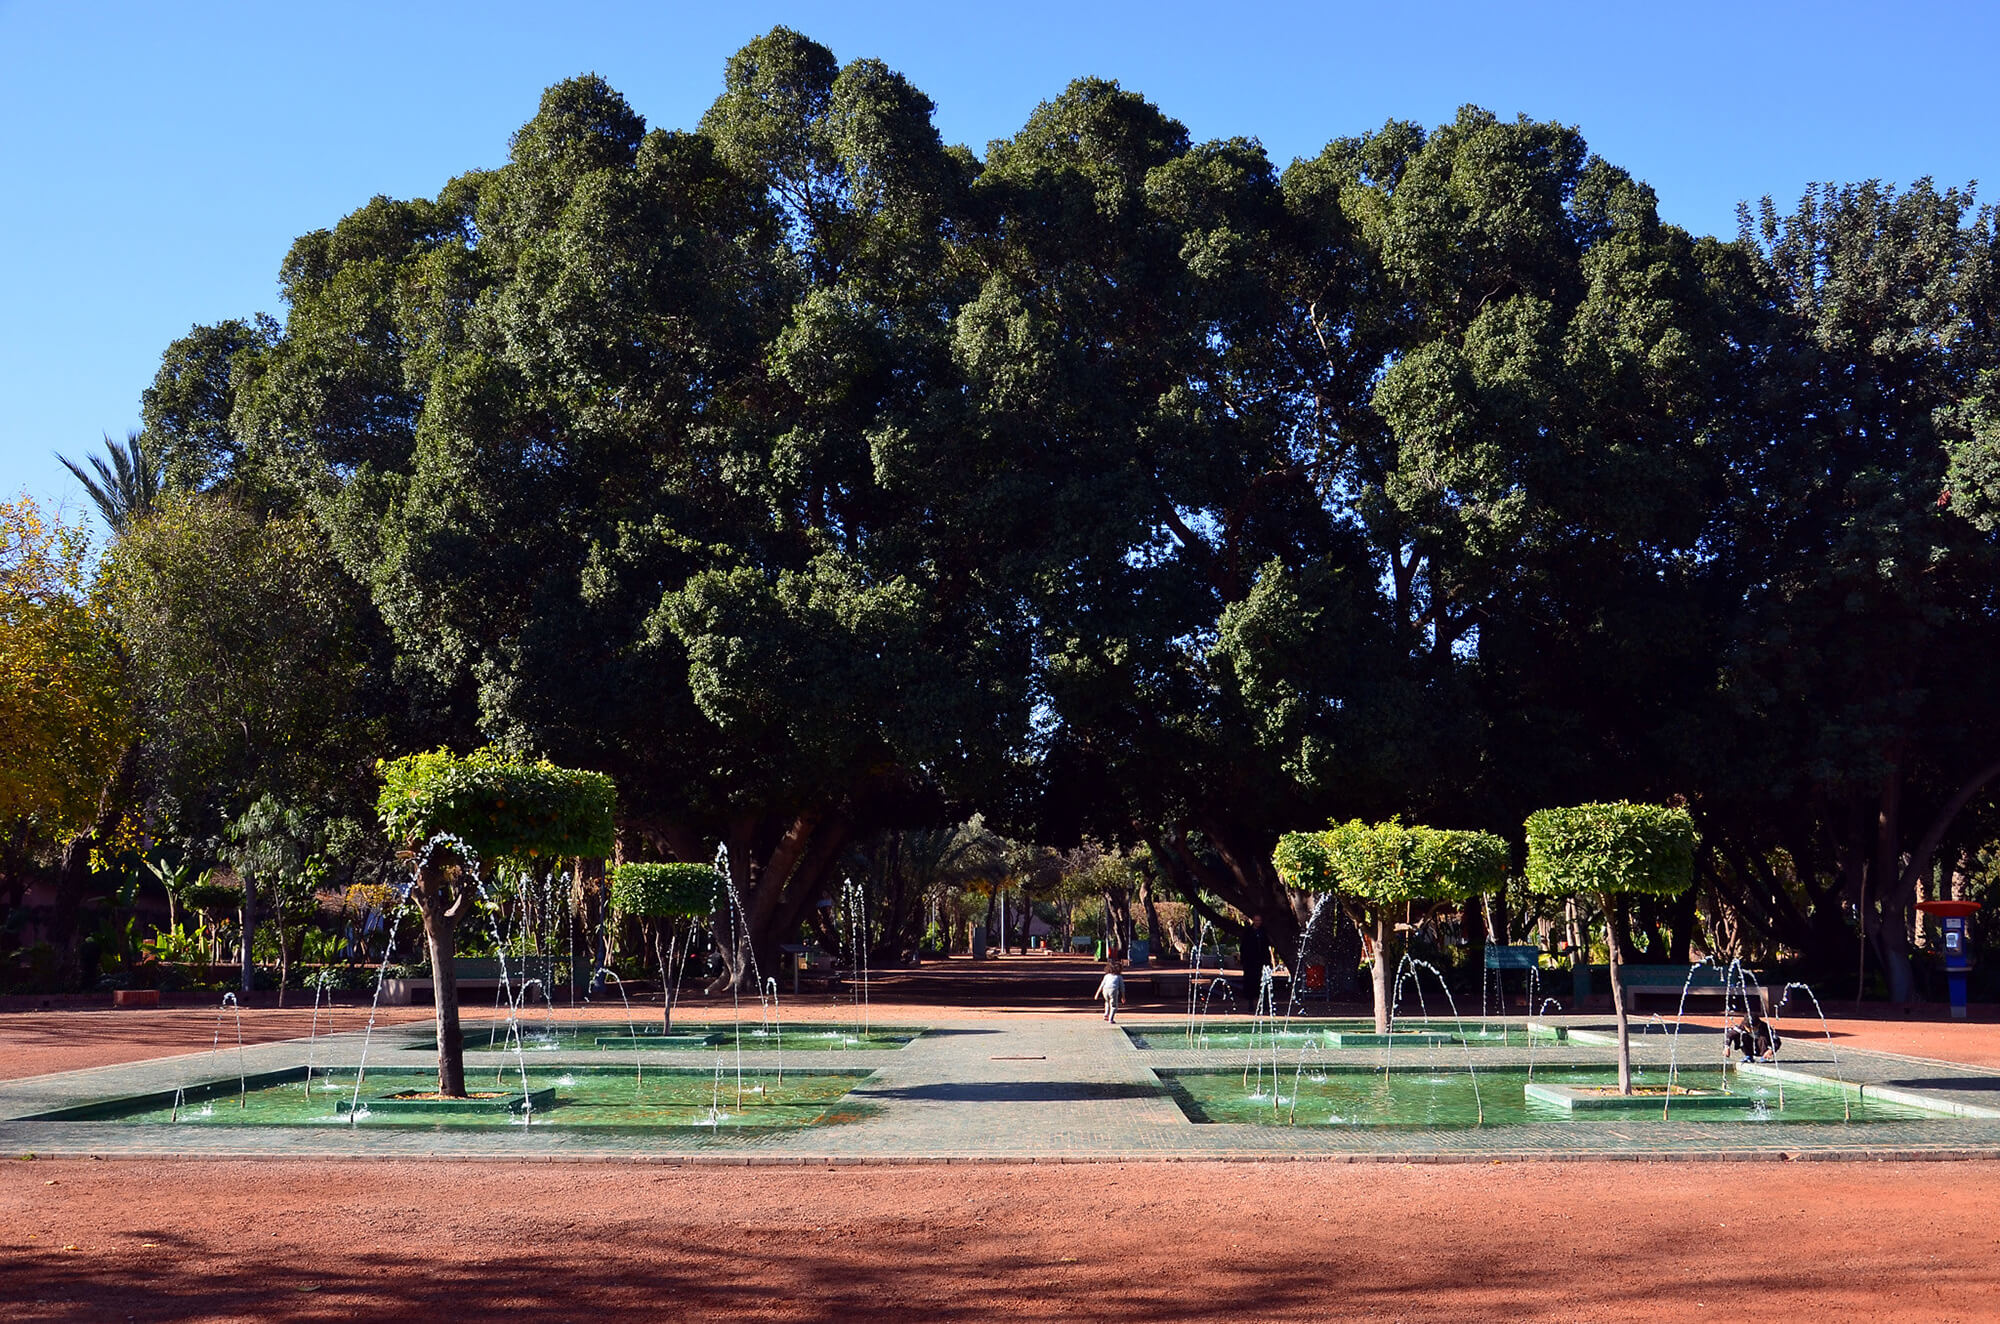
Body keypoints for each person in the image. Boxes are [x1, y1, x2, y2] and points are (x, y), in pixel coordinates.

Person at [1095, 956, 1126, 1023]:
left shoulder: (1107, 976)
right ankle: (1111, 1019)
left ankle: (1106, 1014)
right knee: (1114, 1006)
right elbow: (1122, 987)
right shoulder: (1119, 977)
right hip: (1113, 990)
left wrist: (1097, 994)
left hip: (1105, 990)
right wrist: (1123, 997)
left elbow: (1102, 984)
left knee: (1107, 1002)